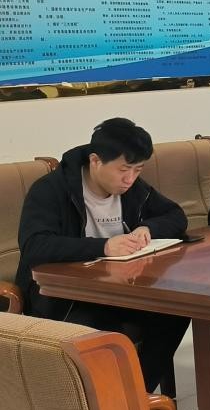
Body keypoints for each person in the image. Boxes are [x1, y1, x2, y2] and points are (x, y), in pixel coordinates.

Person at [15, 118, 190, 392]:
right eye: (123, 170)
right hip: (65, 298)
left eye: (138, 169)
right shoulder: (51, 190)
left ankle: (137, 394)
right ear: (95, 160)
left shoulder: (132, 188)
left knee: (175, 312)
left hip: (118, 290)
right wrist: (104, 247)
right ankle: (107, 402)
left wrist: (148, 228)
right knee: (104, 329)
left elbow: (176, 215)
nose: (130, 179)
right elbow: (35, 245)